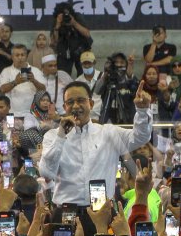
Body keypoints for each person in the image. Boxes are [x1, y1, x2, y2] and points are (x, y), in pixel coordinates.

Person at [40, 80, 153, 209]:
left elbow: (141, 136)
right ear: (65, 107)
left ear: (91, 104)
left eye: (81, 100)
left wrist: (142, 111)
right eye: (70, 102)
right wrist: (61, 135)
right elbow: (46, 173)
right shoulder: (53, 136)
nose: (76, 106)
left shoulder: (109, 133)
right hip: (66, 213)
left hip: (103, 211)